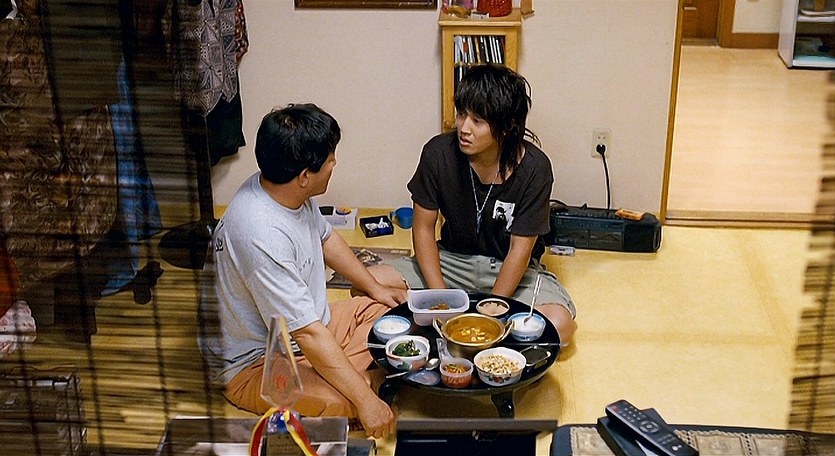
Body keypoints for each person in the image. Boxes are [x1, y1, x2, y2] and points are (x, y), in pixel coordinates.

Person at [205, 103, 407, 439]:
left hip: (310, 328)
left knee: (395, 302)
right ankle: (362, 380)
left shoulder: (282, 188)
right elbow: (307, 334)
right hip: (256, 363)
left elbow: (326, 238)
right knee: (348, 402)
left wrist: (375, 288)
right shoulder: (260, 234)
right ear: (304, 176)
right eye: (330, 158)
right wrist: (365, 399)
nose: (334, 163)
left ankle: (351, 373)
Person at [386, 64, 577, 345]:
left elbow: (520, 251)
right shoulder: (437, 153)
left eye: (478, 120)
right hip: (450, 261)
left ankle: (471, 337)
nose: (464, 128)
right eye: (462, 114)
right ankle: (433, 329)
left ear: (507, 126)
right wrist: (442, 301)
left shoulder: (535, 167)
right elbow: (423, 229)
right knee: (367, 286)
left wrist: (490, 315)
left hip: (510, 269)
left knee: (559, 326)